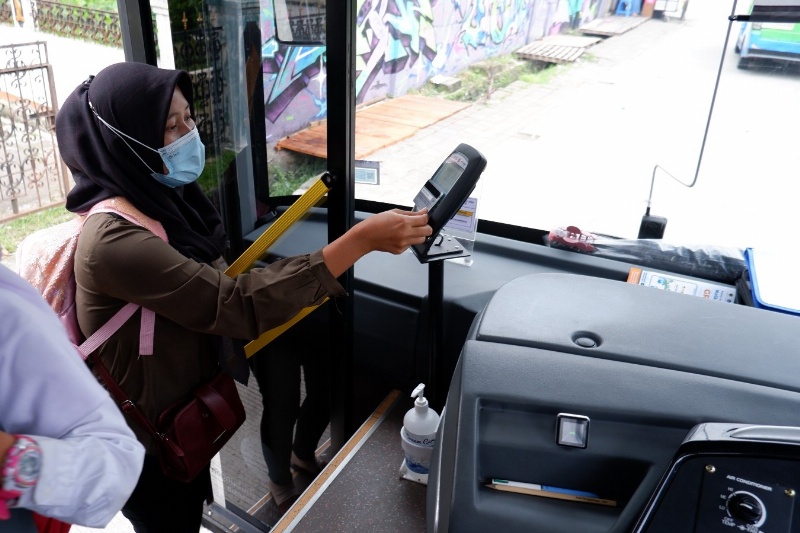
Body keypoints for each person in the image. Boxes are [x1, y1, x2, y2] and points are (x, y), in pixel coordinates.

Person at [54, 61, 432, 533]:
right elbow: (232, 305)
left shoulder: (162, 200)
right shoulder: (114, 243)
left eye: (189, 117)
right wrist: (359, 241)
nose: (188, 133)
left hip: (181, 418)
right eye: (170, 127)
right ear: (124, 143)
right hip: (145, 447)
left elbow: (207, 281)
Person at [0, 262, 145, 532]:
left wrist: (10, 458)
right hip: (150, 412)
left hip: (157, 414)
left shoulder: (7, 312)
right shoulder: (116, 241)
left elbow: (114, 467)